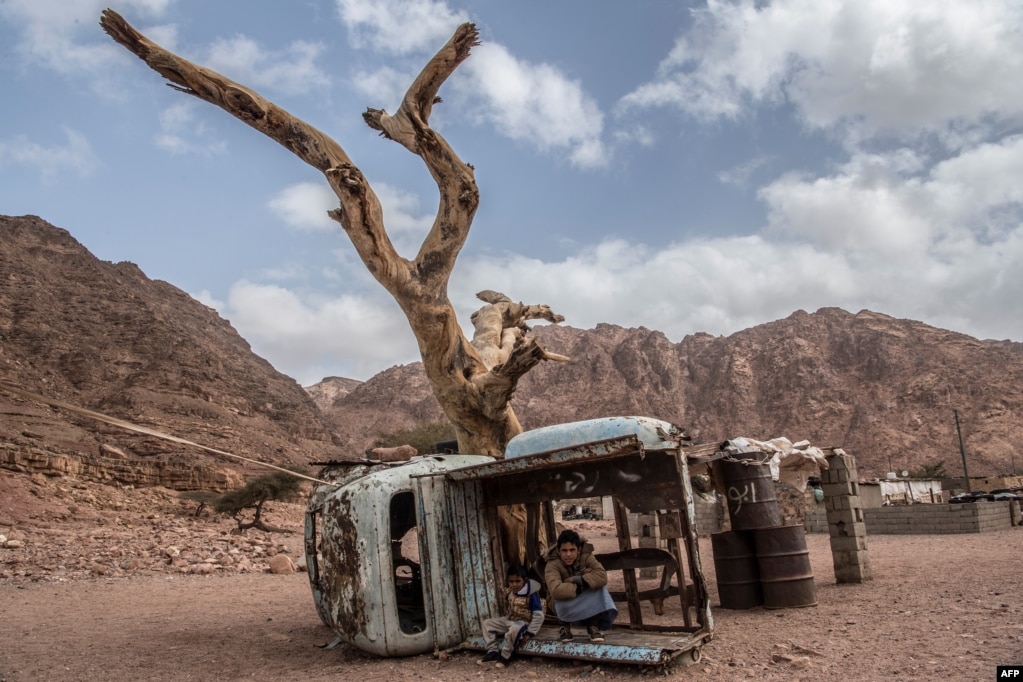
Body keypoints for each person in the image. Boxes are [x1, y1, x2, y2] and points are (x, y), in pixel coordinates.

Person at [543, 528, 617, 643]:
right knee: (559, 598)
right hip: (560, 602)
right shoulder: (552, 564)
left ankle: (593, 626)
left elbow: (602, 577)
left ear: (579, 549)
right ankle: (565, 628)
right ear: (558, 551)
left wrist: (577, 580)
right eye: (564, 550)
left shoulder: (586, 556)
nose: (568, 554)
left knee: (601, 589)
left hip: (578, 594)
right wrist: (582, 585)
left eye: (572, 550)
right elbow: (556, 590)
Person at [477, 564, 546, 668]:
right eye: (511, 582)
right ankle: (492, 652)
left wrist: (530, 633)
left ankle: (505, 656)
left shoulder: (532, 594)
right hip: (510, 619)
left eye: (518, 581)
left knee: (513, 630)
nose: (514, 584)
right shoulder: (510, 592)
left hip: (524, 622)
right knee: (487, 624)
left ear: (525, 580)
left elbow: (539, 615)